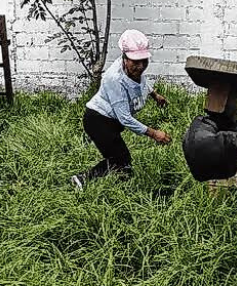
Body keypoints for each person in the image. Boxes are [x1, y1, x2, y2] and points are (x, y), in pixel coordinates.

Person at [71, 29, 171, 189]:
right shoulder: (114, 79)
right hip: (98, 120)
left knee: (120, 160)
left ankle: (121, 188)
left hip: (111, 122)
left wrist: (155, 95)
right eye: (135, 62)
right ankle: (82, 179)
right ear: (124, 57)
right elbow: (125, 118)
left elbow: (142, 82)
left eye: (144, 61)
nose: (141, 66)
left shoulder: (133, 70)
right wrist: (154, 133)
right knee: (120, 159)